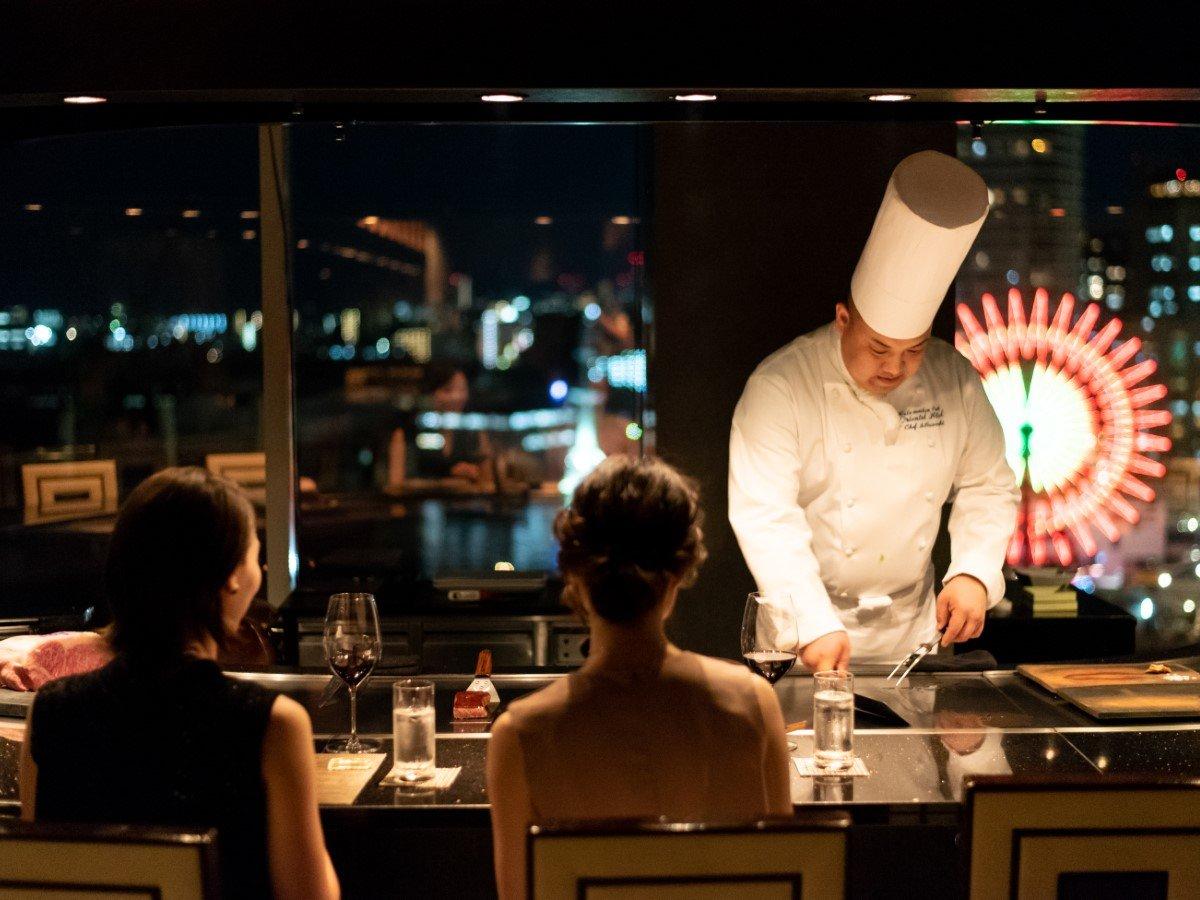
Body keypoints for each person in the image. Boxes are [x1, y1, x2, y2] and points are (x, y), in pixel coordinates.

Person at [728, 149, 1020, 670]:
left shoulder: (954, 379)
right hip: (806, 634)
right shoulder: (780, 386)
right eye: (879, 348)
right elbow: (765, 514)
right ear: (844, 319)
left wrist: (974, 572)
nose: (895, 368)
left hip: (915, 635)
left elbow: (988, 484)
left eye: (914, 350)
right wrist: (813, 624)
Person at [18, 467, 339, 900]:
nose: (260, 568)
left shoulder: (50, 712)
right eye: (254, 553)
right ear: (232, 576)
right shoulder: (273, 724)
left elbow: (40, 880)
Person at [487, 456, 792, 900]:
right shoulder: (752, 704)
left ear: (574, 576)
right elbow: (788, 879)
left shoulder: (520, 734)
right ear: (678, 573)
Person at [387, 362, 493, 488]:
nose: (457, 397)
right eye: (448, 390)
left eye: (462, 390)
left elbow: (488, 482)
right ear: (431, 393)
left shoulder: (473, 429)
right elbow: (396, 484)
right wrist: (449, 477)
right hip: (419, 500)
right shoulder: (409, 429)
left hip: (464, 501)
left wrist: (475, 473)